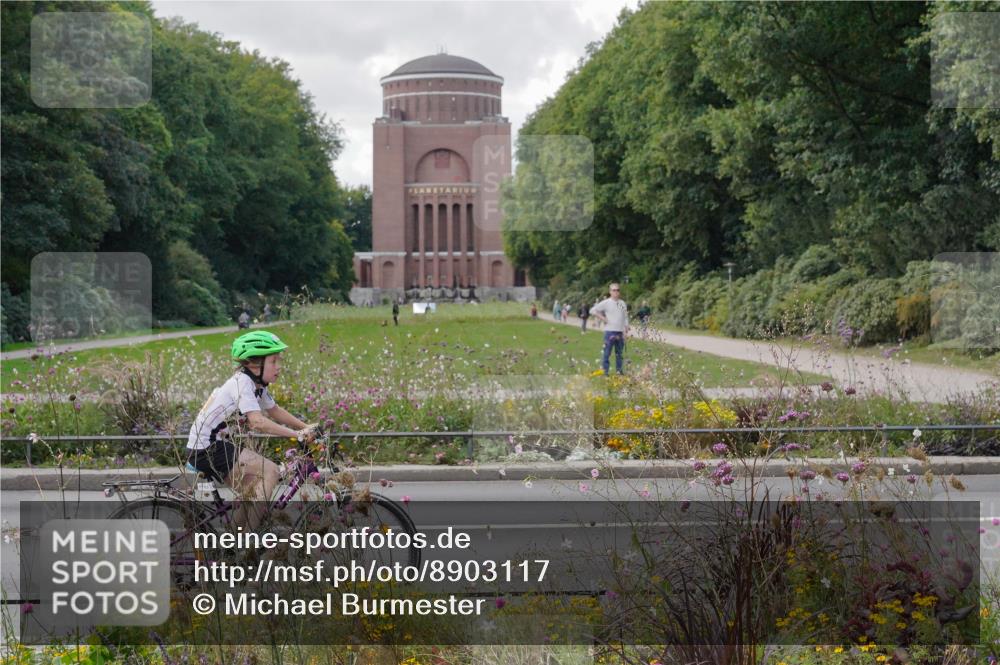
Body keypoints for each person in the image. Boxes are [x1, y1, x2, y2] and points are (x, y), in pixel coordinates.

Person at [186, 330, 316, 528]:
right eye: (273, 361)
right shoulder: (242, 383)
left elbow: (274, 411)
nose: (278, 367)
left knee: (253, 493)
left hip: (216, 446)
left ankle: (232, 545)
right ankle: (247, 544)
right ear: (255, 365)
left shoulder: (256, 385)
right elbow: (258, 422)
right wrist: (297, 435)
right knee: (270, 471)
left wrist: (307, 427)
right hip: (207, 448)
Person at [590, 283, 629, 375]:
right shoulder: (606, 303)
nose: (616, 292)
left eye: (618, 290)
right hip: (609, 332)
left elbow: (625, 316)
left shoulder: (622, 303)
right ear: (610, 292)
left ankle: (619, 372)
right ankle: (605, 373)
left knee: (619, 354)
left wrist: (626, 327)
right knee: (606, 354)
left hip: (620, 332)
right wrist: (603, 318)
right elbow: (592, 310)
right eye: (614, 290)